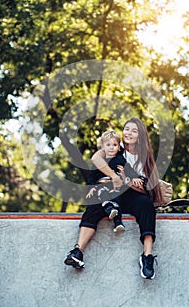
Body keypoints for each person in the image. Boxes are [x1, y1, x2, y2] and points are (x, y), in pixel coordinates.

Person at [64, 117, 161, 279]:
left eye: (134, 130)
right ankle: (77, 251)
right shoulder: (115, 146)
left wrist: (125, 180)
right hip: (112, 190)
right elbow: (96, 159)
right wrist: (114, 177)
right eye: (126, 129)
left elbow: (145, 188)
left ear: (141, 136)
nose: (128, 133)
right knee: (95, 206)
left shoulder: (144, 157)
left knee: (146, 205)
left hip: (132, 195)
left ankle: (147, 256)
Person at [85, 130, 126, 233]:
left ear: (119, 147)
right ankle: (110, 209)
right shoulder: (99, 161)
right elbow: (91, 176)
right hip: (101, 186)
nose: (111, 147)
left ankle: (118, 223)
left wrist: (129, 176)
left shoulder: (120, 160)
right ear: (103, 147)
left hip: (114, 186)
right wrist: (91, 187)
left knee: (116, 200)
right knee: (102, 193)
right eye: (108, 145)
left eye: (115, 145)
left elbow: (128, 171)